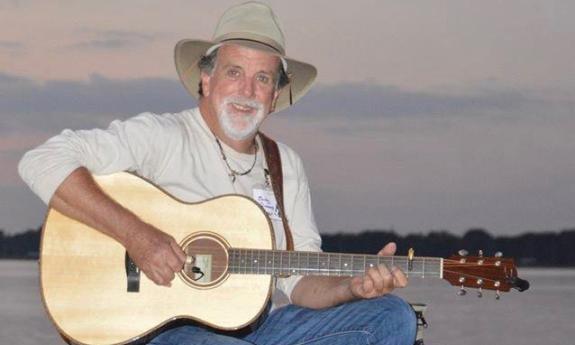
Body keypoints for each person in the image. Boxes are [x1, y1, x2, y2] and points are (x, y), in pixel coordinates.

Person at [19, 2, 417, 344]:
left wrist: (351, 288)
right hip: (163, 332)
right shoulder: (162, 136)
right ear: (206, 79)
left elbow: (298, 281)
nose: (247, 90)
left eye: (262, 78)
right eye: (234, 72)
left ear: (275, 94)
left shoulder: (285, 166)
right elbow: (41, 161)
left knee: (392, 316)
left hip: (257, 329)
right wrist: (137, 237)